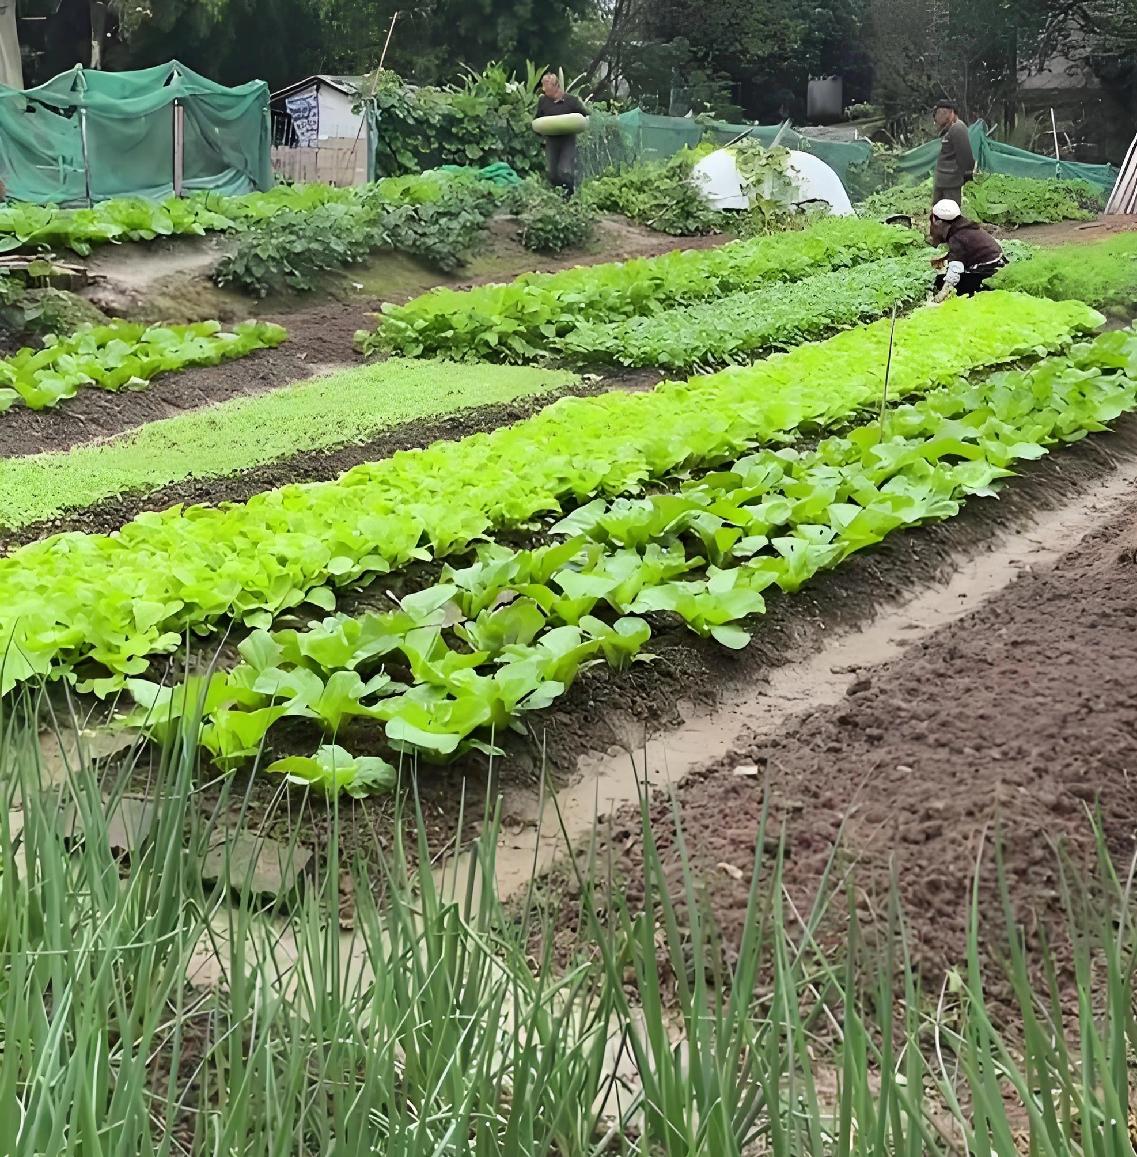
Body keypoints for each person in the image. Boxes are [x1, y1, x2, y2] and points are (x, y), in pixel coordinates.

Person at [928, 199, 1006, 302]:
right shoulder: (966, 226)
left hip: (987, 273)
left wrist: (941, 295)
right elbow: (969, 249)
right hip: (1000, 265)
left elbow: (954, 273)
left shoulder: (956, 236)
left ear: (937, 221)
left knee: (940, 281)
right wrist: (946, 257)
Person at [536, 72, 587, 196]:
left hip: (567, 140)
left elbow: (583, 115)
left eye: (546, 88)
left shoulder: (571, 101)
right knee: (552, 173)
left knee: (564, 171)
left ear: (555, 86)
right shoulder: (543, 101)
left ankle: (570, 195)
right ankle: (556, 197)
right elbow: (538, 118)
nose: (544, 90)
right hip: (551, 140)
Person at [932, 99, 975, 209]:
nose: (941, 117)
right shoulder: (948, 129)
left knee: (950, 213)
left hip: (951, 183)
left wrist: (967, 174)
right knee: (938, 212)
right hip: (941, 180)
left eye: (944, 113)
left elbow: (965, 154)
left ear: (951, 113)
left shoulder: (958, 128)